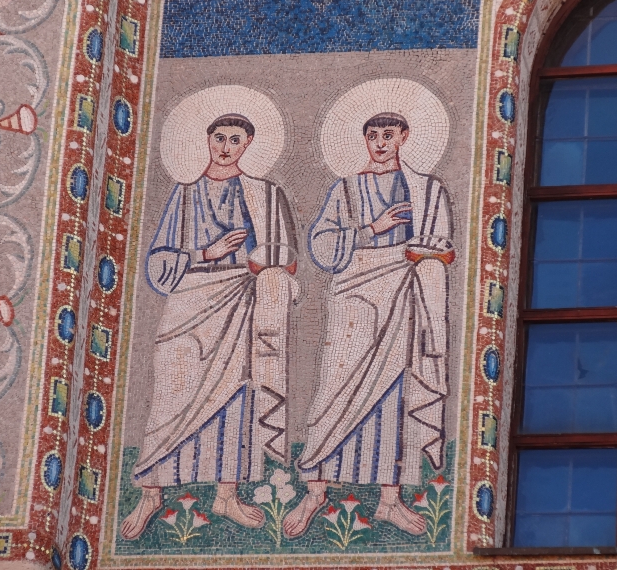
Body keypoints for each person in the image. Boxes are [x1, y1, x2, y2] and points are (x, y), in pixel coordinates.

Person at [121, 114, 299, 540]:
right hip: (191, 299)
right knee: (171, 393)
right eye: (219, 137)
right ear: (207, 138)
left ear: (247, 144)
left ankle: (226, 494)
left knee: (236, 394)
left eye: (235, 140)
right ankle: (151, 492)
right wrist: (205, 252)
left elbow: (286, 256)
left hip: (243, 297)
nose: (225, 147)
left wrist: (269, 268)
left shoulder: (266, 194)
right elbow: (158, 264)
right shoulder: (184, 195)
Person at [283, 113, 453, 538]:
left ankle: (390, 501)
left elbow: (441, 244)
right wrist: (373, 228)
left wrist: (426, 256)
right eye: (373, 135)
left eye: (388, 135)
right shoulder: (344, 189)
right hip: (354, 294)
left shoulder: (427, 189)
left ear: (404, 137)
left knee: (395, 392)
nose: (380, 143)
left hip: (404, 290)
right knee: (335, 387)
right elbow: (322, 245)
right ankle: (315, 490)